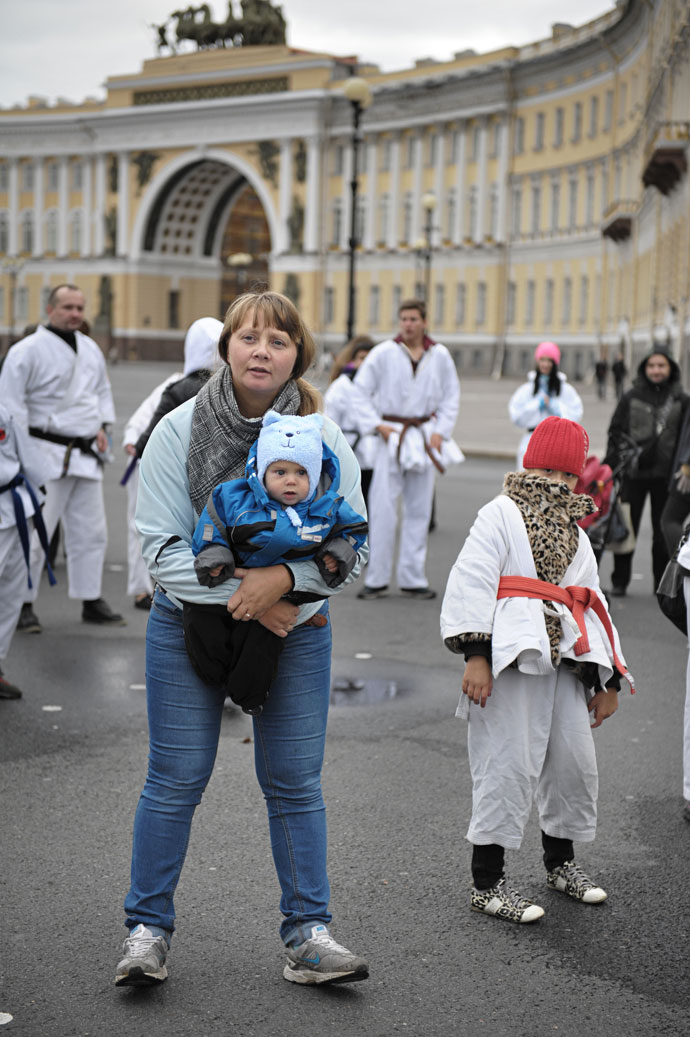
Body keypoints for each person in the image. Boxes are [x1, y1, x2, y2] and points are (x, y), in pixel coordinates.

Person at [115, 290, 370, 989]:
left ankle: (308, 935)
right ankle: (147, 931)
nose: (263, 350)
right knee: (175, 779)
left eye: (279, 341)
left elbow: (355, 548)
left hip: (297, 630)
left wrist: (278, 587)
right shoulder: (178, 429)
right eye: (250, 337)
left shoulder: (326, 436)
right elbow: (162, 549)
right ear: (227, 347)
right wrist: (257, 598)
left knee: (293, 783)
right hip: (185, 628)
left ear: (297, 356)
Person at [440, 416, 632, 923]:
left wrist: (605, 678)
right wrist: (476, 654)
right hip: (510, 659)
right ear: (531, 464)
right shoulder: (500, 514)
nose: (558, 483)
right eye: (549, 470)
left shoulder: (577, 533)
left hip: (565, 664)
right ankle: (487, 883)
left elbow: (591, 606)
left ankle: (561, 864)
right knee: (505, 762)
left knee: (573, 762)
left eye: (568, 476)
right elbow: (472, 582)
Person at [186, 409, 368, 714]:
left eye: (301, 473)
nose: (291, 482)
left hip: (286, 591)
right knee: (200, 619)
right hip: (234, 578)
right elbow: (212, 521)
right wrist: (214, 552)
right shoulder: (235, 498)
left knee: (265, 643)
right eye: (279, 472)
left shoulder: (327, 506)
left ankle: (252, 695)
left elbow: (354, 530)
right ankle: (211, 675)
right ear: (261, 472)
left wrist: (338, 553)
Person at [0, 283, 124, 632]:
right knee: (37, 533)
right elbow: (11, 408)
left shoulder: (90, 349)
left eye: (80, 308)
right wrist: (21, 459)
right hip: (43, 452)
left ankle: (90, 598)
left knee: (91, 532)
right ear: (50, 309)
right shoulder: (26, 351)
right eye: (68, 307)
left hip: (84, 453)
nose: (75, 314)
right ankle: (23, 604)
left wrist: (103, 425)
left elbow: (101, 392)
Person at [352, 298, 461, 601]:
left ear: (424, 321)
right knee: (383, 508)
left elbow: (451, 395)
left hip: (422, 435)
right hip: (392, 435)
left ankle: (413, 577)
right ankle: (376, 578)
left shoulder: (439, 355)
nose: (408, 324)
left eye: (413, 319)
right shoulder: (384, 353)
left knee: (419, 508)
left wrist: (441, 431)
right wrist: (376, 424)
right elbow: (359, 391)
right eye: (404, 319)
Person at [122, 317, 223, 610]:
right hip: (218, 476)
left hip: (175, 474)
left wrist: (137, 445)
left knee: (164, 534)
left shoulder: (177, 387)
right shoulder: (233, 388)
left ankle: (163, 590)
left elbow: (152, 431)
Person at [604, 351, 688, 596]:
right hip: (634, 474)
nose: (656, 370)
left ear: (670, 368)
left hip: (666, 476)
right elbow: (615, 431)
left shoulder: (681, 399)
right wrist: (614, 465)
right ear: (644, 368)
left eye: (661, 365)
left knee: (661, 533)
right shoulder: (631, 396)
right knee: (626, 527)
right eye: (651, 365)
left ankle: (660, 584)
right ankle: (620, 581)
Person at [0, 404, 55, 698]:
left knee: (10, 591)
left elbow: (24, 453)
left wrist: (38, 489)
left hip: (13, 506)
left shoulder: (3, 412)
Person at [508, 341, 584, 471]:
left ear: (555, 363)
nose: (545, 364)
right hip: (530, 441)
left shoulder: (565, 390)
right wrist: (538, 404)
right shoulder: (527, 389)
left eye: (549, 360)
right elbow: (516, 416)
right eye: (542, 360)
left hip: (557, 443)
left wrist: (556, 408)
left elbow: (576, 414)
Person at [323, 335, 377, 506]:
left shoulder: (380, 387)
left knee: (375, 504)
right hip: (351, 452)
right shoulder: (341, 386)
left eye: (370, 359)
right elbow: (330, 422)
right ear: (353, 360)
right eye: (361, 358)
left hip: (376, 456)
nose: (365, 363)